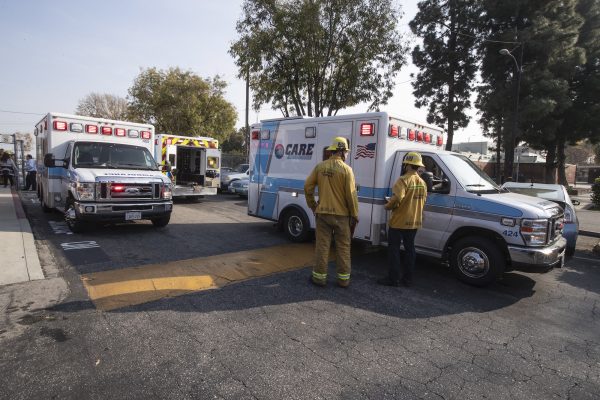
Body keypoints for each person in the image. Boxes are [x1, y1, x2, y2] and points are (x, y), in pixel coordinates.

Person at [304, 136, 359, 288]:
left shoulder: (320, 167)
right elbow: (351, 194)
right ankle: (343, 280)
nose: (347, 155)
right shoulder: (347, 170)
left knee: (322, 246)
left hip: (323, 215)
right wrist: (354, 214)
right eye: (346, 152)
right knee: (343, 247)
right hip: (342, 217)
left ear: (332, 150)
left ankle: (319, 279)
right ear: (341, 152)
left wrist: (313, 205)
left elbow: (307, 187)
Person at [378, 152, 428, 287]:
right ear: (418, 166)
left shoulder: (403, 180)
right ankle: (408, 279)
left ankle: (393, 279)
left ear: (406, 165)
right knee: (410, 250)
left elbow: (398, 198)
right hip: (414, 222)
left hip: (399, 222)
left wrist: (388, 206)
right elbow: (422, 201)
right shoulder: (422, 182)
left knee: (394, 250)